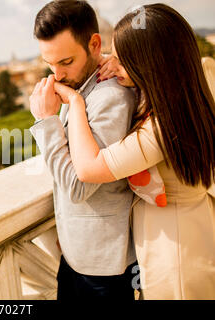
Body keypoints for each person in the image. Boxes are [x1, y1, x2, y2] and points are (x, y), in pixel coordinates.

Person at [46, 3, 214, 299]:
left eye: (123, 60)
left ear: (151, 65)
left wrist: (75, 103)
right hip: (188, 229)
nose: (112, 66)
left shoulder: (161, 130)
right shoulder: (186, 100)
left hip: (174, 251)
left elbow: (87, 170)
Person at [29, 0, 138, 300]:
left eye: (66, 62)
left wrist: (46, 121)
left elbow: (79, 186)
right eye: (49, 64)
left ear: (94, 43)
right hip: (79, 257)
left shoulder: (111, 97)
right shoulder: (80, 86)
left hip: (105, 271)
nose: (57, 75)